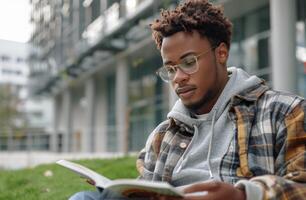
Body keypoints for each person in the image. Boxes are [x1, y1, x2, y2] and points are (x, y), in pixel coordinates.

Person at [70, 0, 306, 199]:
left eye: (189, 62)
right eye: (170, 69)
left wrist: (244, 195)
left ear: (221, 53)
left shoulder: (283, 112)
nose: (178, 78)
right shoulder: (163, 134)